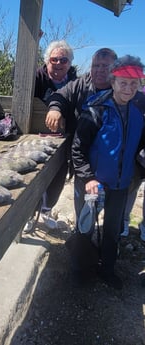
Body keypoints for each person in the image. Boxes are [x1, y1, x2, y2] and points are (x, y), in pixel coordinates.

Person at [71, 55, 145, 290]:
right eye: (123, 82)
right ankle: (82, 270)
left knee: (112, 231)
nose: (129, 88)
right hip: (93, 184)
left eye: (134, 84)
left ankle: (107, 270)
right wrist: (88, 177)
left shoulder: (138, 114)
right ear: (112, 82)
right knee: (85, 227)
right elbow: (78, 147)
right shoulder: (96, 109)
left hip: (121, 185)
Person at [45, 48, 118, 222]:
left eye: (105, 66)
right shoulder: (81, 83)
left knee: (110, 206)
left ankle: (107, 236)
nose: (100, 70)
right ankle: (83, 234)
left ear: (115, 68)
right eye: (96, 65)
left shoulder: (121, 87)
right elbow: (61, 95)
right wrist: (55, 109)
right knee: (83, 204)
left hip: (111, 160)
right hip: (83, 156)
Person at [25, 40, 77, 231]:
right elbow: (19, 77)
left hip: (63, 140)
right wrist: (33, 43)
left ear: (69, 63)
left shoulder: (74, 81)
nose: (58, 63)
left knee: (57, 178)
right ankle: (29, 215)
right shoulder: (37, 77)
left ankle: (45, 211)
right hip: (35, 138)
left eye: (63, 60)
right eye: (53, 59)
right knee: (31, 178)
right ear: (47, 61)